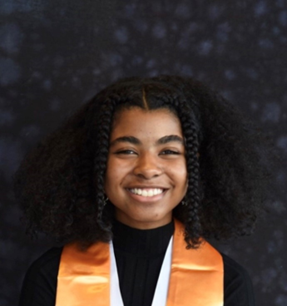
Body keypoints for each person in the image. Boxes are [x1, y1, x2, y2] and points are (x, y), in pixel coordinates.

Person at [14, 75, 272, 306]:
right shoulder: (52, 277)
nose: (147, 169)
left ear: (193, 165)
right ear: (98, 162)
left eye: (169, 152)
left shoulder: (228, 284)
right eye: (127, 151)